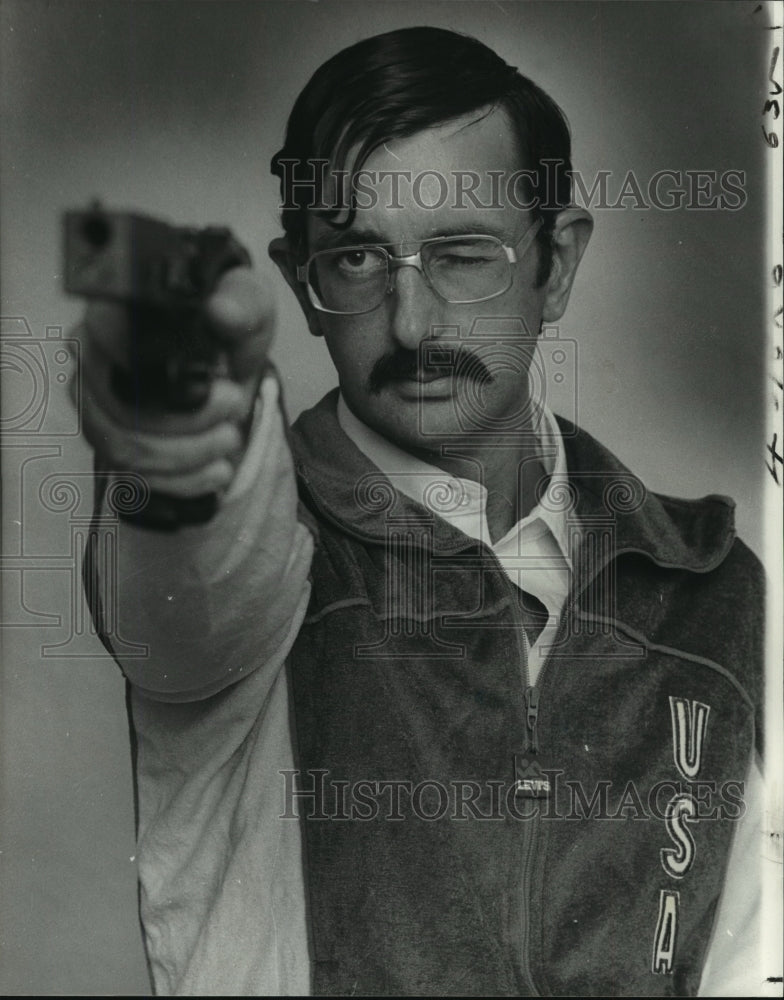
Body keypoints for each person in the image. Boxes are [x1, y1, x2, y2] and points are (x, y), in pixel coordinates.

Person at [77, 26, 766, 997]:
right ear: (300, 282)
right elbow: (188, 581)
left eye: (461, 254)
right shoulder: (266, 548)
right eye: (357, 260)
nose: (411, 323)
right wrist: (172, 432)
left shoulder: (718, 590)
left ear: (556, 262)